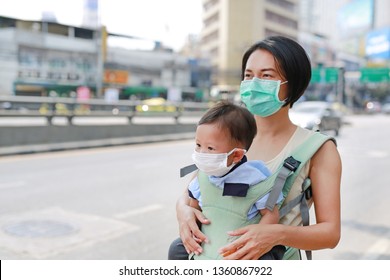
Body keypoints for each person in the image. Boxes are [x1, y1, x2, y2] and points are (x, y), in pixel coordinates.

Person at [168, 35, 341, 260]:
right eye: (249, 75)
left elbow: (330, 233)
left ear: (293, 84)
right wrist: (182, 211)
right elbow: (191, 192)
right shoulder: (228, 134)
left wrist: (276, 235)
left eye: (266, 75)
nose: (254, 83)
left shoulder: (318, 149)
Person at [186, 100, 286, 260]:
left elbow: (271, 214)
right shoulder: (202, 177)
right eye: (198, 145)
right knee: (175, 250)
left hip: (240, 250)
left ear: (237, 155)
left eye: (210, 148)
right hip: (208, 247)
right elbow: (193, 208)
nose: (201, 153)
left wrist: (254, 241)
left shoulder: (256, 179)